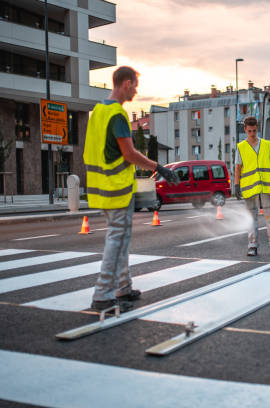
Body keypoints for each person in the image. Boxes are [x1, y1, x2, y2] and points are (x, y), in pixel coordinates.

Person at [84, 66, 178, 312]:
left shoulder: (98, 113)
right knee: (116, 239)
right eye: (134, 85)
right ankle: (102, 294)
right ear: (126, 83)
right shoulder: (117, 115)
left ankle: (123, 287)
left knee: (120, 237)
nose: (136, 90)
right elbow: (129, 153)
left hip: (101, 186)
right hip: (116, 187)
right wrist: (159, 167)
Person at [234, 116, 270, 256]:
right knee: (251, 217)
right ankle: (252, 245)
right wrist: (236, 185)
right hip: (249, 188)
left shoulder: (266, 144)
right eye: (249, 131)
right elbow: (238, 168)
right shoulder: (241, 147)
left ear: (257, 128)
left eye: (254, 130)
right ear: (245, 130)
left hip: (266, 186)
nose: (252, 134)